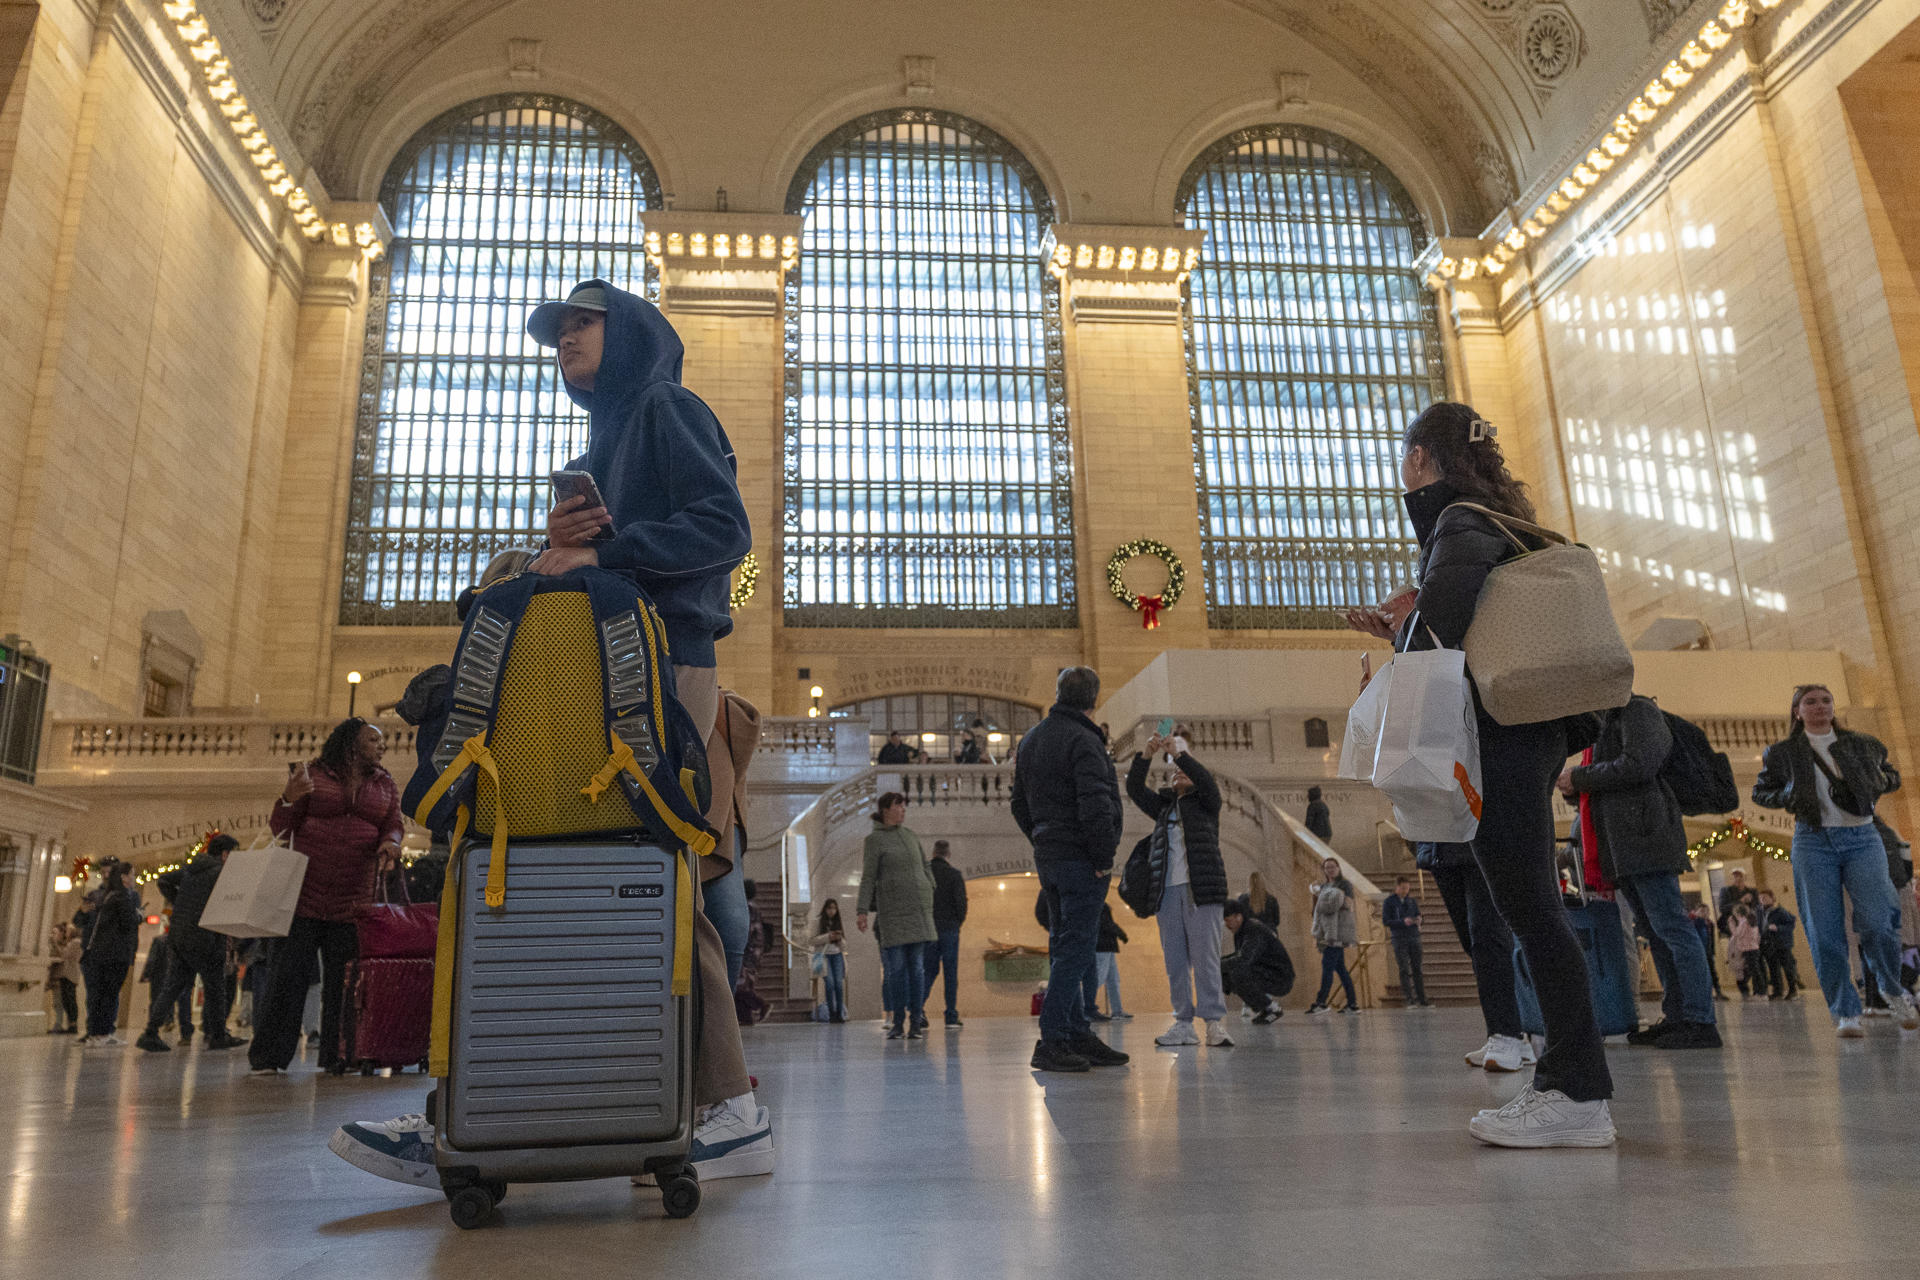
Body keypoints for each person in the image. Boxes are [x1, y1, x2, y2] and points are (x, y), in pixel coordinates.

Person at [1347, 401, 1615, 1147]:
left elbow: (1440, 637)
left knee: (1531, 912)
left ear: (1422, 459)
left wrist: (1405, 622)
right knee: (1533, 912)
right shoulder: (1498, 519)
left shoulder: (1458, 524)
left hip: (1498, 740)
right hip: (1528, 734)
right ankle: (1572, 1086)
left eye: (1406, 458)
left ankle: (1577, 1093)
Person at [1753, 683, 1916, 1037]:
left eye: (1825, 700)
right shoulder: (1781, 753)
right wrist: (1786, 793)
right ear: (1797, 711)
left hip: (1862, 837)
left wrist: (1875, 782)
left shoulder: (1862, 743)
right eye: (1810, 702)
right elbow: (1760, 793)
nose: (1819, 706)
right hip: (1813, 842)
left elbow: (1892, 778)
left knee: (1879, 921)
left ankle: (1891, 987)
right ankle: (1846, 1011)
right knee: (1823, 932)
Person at [1559, 695, 1720, 1049]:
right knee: (1655, 932)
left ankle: (1700, 1019)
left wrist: (1580, 777)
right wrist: (1576, 786)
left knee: (1672, 928)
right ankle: (1677, 1015)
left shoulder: (1637, 710)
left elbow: (1639, 764)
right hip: (1622, 844)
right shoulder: (1604, 720)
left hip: (1646, 837)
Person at [1011, 666, 1128, 1073]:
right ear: (1094, 699)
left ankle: (1076, 1032)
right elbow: (1095, 803)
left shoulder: (1032, 740)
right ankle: (1054, 1038)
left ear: (1059, 693)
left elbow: (1018, 805)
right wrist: (1101, 857)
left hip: (1052, 857)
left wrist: (1043, 839)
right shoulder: (1083, 739)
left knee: (1066, 946)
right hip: (1081, 857)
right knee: (1077, 949)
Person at [1127, 732, 1232, 1049]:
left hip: (1202, 891)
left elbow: (1207, 780)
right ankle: (1183, 1024)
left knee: (1206, 960)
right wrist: (1145, 755)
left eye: (1183, 771)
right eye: (1175, 771)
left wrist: (1180, 755)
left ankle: (1214, 1024)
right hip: (1167, 893)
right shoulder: (1162, 807)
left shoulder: (1207, 804)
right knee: (1175, 962)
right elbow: (1134, 788)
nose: (1178, 773)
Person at [1421, 842, 1534, 1071]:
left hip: (1482, 841)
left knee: (1487, 937)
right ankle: (1516, 1036)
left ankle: (1504, 1034)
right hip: (1440, 847)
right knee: (1472, 943)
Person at [137, 834, 246, 1052]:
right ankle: (217, 1035)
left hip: (179, 934)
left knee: (173, 985)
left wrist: (180, 902)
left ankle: (150, 1031)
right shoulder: (221, 873)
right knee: (215, 987)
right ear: (225, 854)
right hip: (206, 935)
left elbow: (163, 879)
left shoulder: (191, 868)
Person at [856, 793, 938, 1040]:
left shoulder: (910, 835)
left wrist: (929, 884)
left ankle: (915, 1023)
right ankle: (897, 1022)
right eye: (898, 805)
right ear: (885, 810)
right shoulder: (874, 840)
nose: (903, 809)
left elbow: (924, 865)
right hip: (893, 915)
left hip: (918, 913)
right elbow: (868, 876)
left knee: (917, 970)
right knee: (897, 972)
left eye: (904, 806)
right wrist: (861, 909)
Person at [76, 860, 141, 1046]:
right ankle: (101, 1033)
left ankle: (96, 1033)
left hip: (98, 952)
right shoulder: (121, 897)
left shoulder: (109, 896)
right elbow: (129, 921)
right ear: (124, 877)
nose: (134, 878)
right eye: (132, 874)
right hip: (113, 953)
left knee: (100, 994)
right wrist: (139, 916)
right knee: (106, 994)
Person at [1220, 899, 1292, 1023]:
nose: (1226, 925)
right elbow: (1239, 956)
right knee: (1226, 974)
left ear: (1238, 917)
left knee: (1236, 972)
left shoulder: (1253, 929)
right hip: (1266, 972)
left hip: (1280, 977)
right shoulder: (1241, 931)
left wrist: (1217, 964)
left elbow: (1244, 959)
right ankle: (1265, 1008)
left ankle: (1272, 1008)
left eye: (1228, 920)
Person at [1305, 859, 1360, 1015]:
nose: (1330, 870)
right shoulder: (1323, 886)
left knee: (1327, 966)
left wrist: (1330, 900)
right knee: (1340, 969)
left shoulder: (1345, 884)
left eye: (1333, 867)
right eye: (1327, 867)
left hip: (1338, 932)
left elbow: (1348, 904)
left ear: (1338, 868)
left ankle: (1321, 1002)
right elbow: (1318, 908)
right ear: (1324, 869)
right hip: (1327, 931)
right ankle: (1352, 1003)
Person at [926, 840, 968, 1028]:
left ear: (934, 853)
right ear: (948, 854)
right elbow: (961, 904)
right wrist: (956, 923)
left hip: (928, 929)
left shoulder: (925, 874)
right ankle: (951, 1015)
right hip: (949, 928)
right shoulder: (954, 875)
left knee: (928, 971)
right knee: (950, 973)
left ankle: (917, 1010)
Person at [1382, 875, 1430, 1008]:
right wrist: (1402, 922)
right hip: (1399, 938)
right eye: (1403, 888)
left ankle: (1422, 998)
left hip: (1414, 936)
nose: (1405, 891)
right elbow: (1386, 921)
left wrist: (1420, 920)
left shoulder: (1412, 901)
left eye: (1407, 888)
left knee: (1417, 968)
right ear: (1397, 887)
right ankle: (1409, 998)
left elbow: (1418, 914)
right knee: (1404, 968)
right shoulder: (1389, 902)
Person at [1754, 890, 1802, 999]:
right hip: (1768, 944)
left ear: (1772, 898)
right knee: (1773, 968)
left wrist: (1779, 928)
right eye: (1761, 898)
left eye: (1765, 897)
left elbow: (1791, 923)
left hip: (1782, 944)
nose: (1762, 900)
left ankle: (1793, 990)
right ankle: (1777, 991)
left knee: (1787, 967)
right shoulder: (1760, 912)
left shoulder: (1780, 911)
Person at [811, 899, 849, 1022]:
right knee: (830, 984)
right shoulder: (818, 922)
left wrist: (839, 939)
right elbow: (811, 940)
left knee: (838, 984)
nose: (831, 911)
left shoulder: (838, 922)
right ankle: (831, 1012)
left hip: (837, 955)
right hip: (823, 956)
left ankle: (839, 1013)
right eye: (829, 908)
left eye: (834, 908)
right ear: (825, 909)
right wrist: (827, 937)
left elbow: (844, 946)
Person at [1095, 903, 1129, 1020]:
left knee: (1113, 979)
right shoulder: (1097, 903)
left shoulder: (1100, 903)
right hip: (1102, 947)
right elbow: (1106, 924)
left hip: (1108, 947)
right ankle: (1084, 1007)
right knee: (1099, 977)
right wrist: (1120, 933)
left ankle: (1117, 1010)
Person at [46, 924, 81, 1034]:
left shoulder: (75, 942)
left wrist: (55, 943)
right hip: (66, 974)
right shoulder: (72, 943)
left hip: (70, 974)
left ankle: (72, 1025)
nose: (66, 933)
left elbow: (63, 955)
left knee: (69, 1000)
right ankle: (70, 1025)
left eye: (68, 931)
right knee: (66, 1000)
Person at [1690, 904, 1729, 1001]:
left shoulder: (1710, 923)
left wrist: (1712, 951)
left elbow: (1711, 939)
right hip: (1698, 953)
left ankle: (1718, 992)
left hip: (1708, 952)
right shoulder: (1694, 923)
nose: (1705, 913)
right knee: (1700, 974)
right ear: (1696, 912)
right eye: (1702, 911)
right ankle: (1705, 994)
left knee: (1712, 973)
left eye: (1707, 911)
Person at [1728, 905, 1761, 998]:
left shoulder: (1744, 922)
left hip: (1748, 949)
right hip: (1753, 948)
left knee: (1754, 972)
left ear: (1737, 914)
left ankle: (1759, 992)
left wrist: (1731, 924)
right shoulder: (1752, 921)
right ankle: (1758, 991)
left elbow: (1737, 934)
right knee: (1755, 971)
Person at [1716, 869, 1759, 935]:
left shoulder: (1753, 891)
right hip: (1732, 926)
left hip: (1750, 925)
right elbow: (1722, 909)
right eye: (1735, 876)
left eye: (1740, 876)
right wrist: (1741, 901)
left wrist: (1751, 902)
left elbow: (1757, 908)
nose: (1738, 878)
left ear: (1745, 878)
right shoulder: (1725, 891)